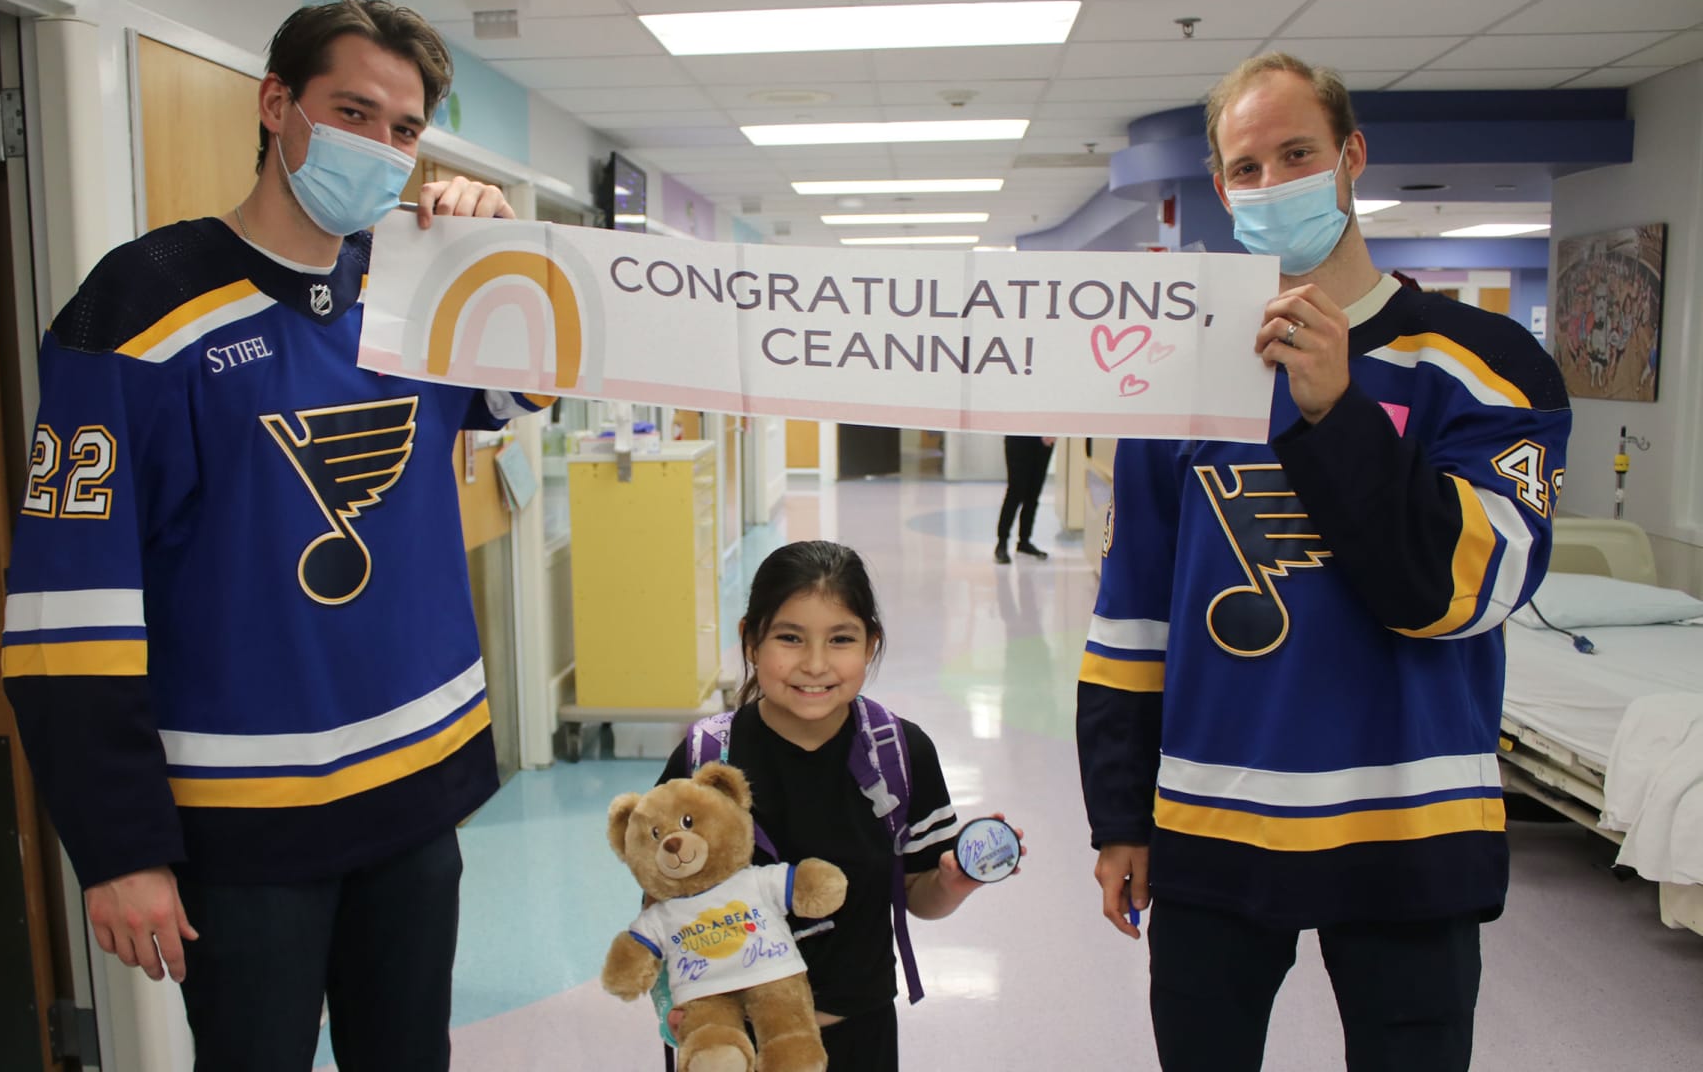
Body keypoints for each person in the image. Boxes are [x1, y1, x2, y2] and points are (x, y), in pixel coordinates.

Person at [0, 0, 543, 1069]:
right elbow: (68, 604)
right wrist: (119, 847)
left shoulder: (413, 284)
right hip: (242, 820)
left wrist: (499, 251)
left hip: (413, 794)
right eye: (352, 112)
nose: (379, 146)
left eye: (403, 129)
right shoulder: (141, 306)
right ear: (277, 104)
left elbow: (519, 391)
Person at [1076, 53, 1571, 1072]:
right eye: (1246, 168)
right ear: (1221, 189)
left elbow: (1458, 594)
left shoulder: (1485, 367)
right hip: (1215, 811)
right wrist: (1118, 816)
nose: (1272, 184)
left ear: (1351, 157)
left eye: (1297, 154)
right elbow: (1132, 619)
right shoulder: (1176, 377)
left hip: (1413, 820)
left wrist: (1336, 412)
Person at [657, 541, 1021, 1072]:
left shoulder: (901, 754)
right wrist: (669, 1002)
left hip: (859, 1035)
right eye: (789, 638)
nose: (815, 664)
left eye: (841, 639)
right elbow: (661, 897)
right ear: (751, 641)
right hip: (729, 1044)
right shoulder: (704, 759)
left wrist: (951, 883)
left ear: (871, 644)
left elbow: (919, 896)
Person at [995, 435, 1057, 563]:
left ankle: (1024, 541)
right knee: (1015, 491)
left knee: (1033, 493)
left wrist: (1054, 433)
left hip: (1043, 439)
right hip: (1018, 437)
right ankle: (1002, 542)